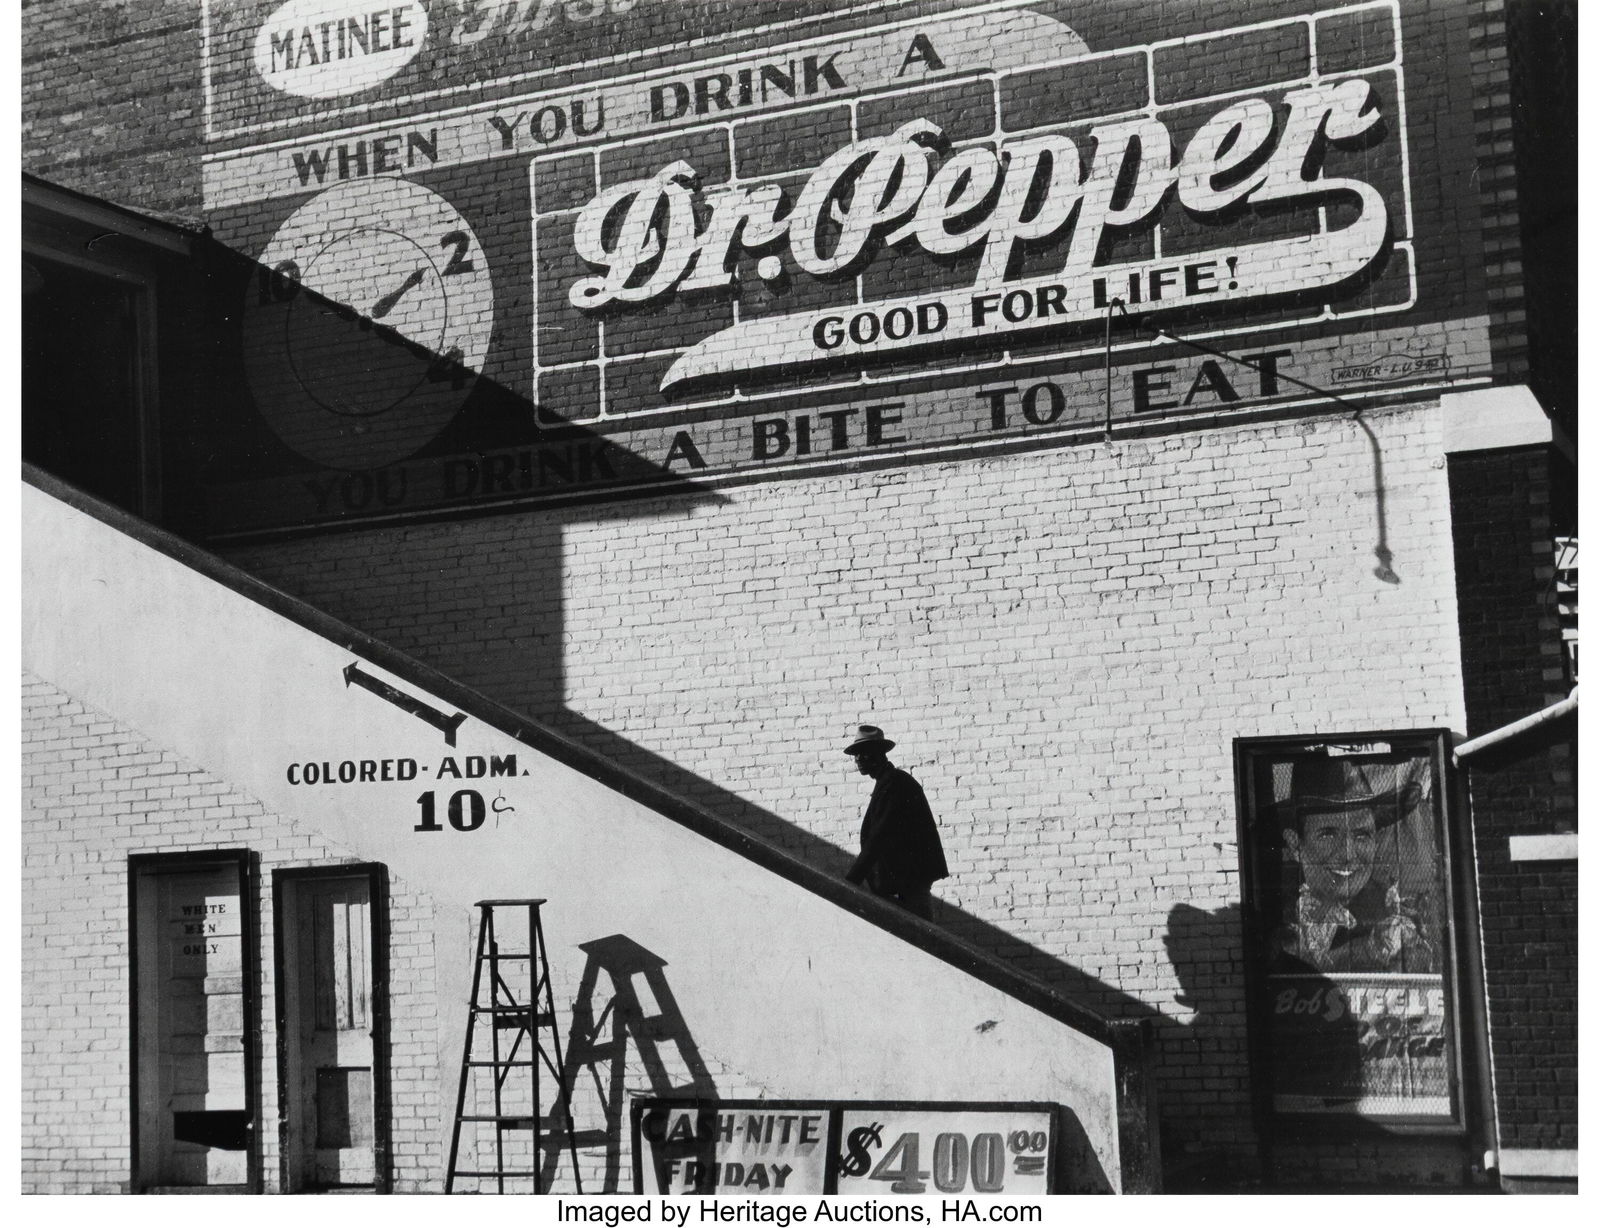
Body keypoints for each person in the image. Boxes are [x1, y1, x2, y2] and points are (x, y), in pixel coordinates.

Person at [1272, 777, 1436, 975]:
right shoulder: (1273, 911)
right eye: (1327, 835)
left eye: (1362, 836)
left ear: (1376, 841)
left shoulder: (1393, 925)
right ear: (1295, 845)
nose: (1348, 854)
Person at [842, 725, 949, 919]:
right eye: (856, 754)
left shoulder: (893, 784)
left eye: (863, 753)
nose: (857, 759)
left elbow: (878, 836)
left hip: (908, 883)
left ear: (878, 753)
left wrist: (851, 880)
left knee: (918, 932)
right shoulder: (889, 782)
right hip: (904, 882)